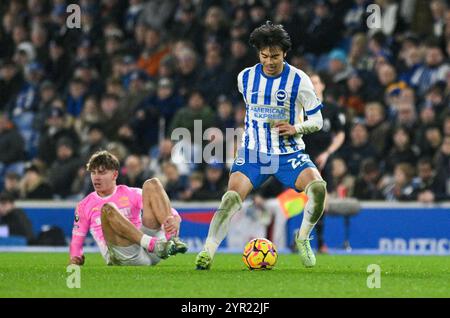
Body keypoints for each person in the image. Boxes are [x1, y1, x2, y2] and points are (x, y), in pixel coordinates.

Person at [195, 21, 327, 270]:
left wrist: (296, 128)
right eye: (264, 56)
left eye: (275, 56)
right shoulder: (245, 78)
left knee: (318, 189)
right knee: (230, 198)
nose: (269, 61)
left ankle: (303, 237)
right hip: (254, 153)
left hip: (289, 153)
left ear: (284, 53)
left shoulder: (299, 80)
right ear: (258, 53)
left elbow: (318, 120)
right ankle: (207, 252)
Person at [69, 150, 188, 266]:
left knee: (152, 183)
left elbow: (160, 206)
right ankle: (154, 244)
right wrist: (76, 256)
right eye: (93, 172)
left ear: (115, 174)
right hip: (124, 253)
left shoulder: (130, 193)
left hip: (149, 249)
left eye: (102, 172)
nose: (96, 177)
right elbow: (77, 239)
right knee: (107, 209)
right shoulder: (84, 205)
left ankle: (172, 239)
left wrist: (176, 218)